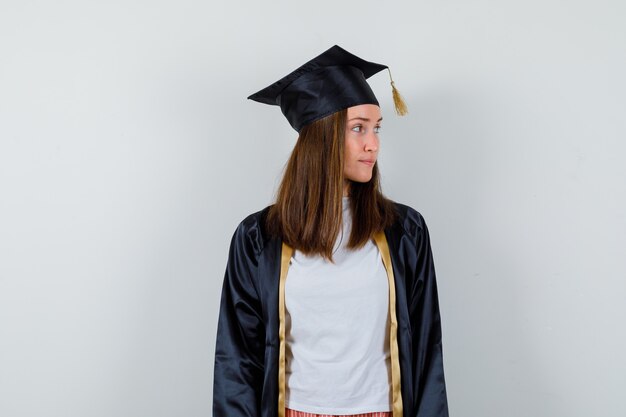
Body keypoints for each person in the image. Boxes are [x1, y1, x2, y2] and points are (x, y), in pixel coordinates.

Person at [213, 45, 449, 417]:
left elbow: (425, 347)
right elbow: (238, 360)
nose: (373, 144)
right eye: (358, 128)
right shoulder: (259, 238)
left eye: (376, 128)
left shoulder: (405, 232)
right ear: (321, 139)